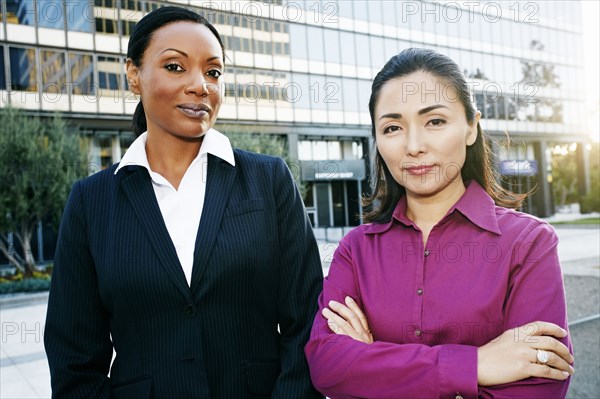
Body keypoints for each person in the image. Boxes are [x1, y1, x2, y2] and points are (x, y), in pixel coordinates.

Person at [44, 6, 324, 398]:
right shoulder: (90, 202)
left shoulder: (269, 179)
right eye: (175, 67)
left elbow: (306, 322)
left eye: (213, 72)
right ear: (133, 76)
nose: (201, 85)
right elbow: (73, 358)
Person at [304, 48, 574, 399]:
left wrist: (372, 364)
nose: (414, 146)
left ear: (471, 128)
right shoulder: (356, 249)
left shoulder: (529, 242)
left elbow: (538, 385)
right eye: (392, 127)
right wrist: (475, 365)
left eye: (435, 121)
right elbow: (328, 365)